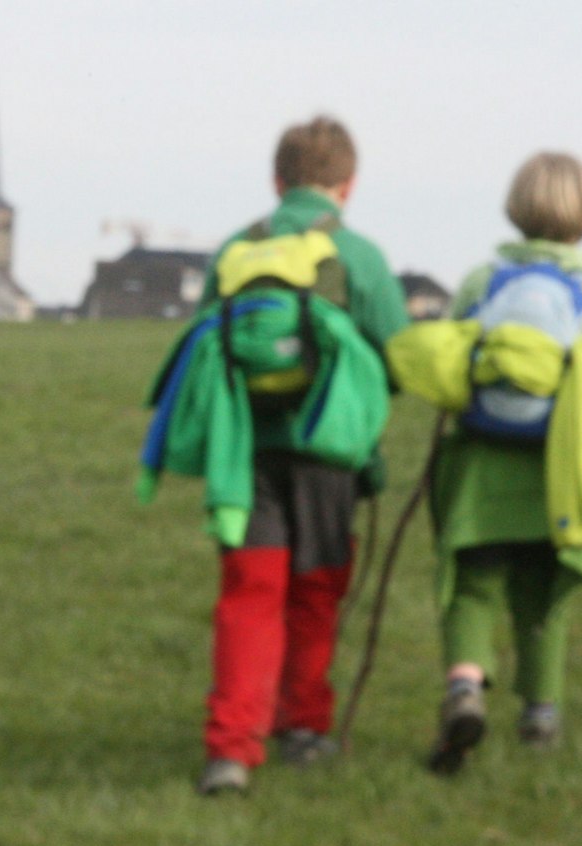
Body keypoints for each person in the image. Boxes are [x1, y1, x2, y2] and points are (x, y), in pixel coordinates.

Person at [188, 117, 409, 795]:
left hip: (244, 452)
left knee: (249, 596)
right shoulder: (359, 256)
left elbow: (206, 340)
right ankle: (304, 729)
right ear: (348, 185)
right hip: (329, 457)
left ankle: (230, 750)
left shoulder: (237, 247)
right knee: (314, 593)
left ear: (276, 181)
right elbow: (396, 356)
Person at [424, 152, 582, 774]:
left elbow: (448, 370)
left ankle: (464, 686)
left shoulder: (477, 285)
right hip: (560, 476)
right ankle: (541, 713)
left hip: (481, 465)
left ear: (515, 209)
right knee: (545, 594)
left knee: (472, 586)